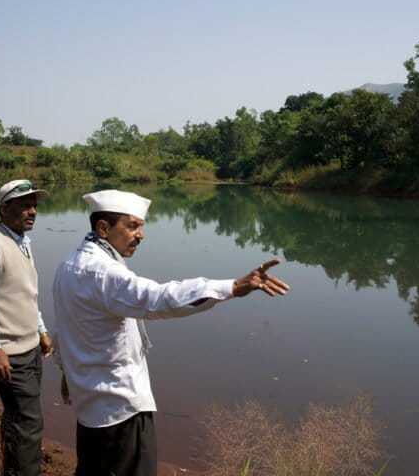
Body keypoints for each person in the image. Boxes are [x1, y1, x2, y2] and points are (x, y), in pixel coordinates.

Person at [52, 189, 290, 476]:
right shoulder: (106, 274)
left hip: (90, 407)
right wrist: (232, 288)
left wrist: (67, 372)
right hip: (121, 407)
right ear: (103, 228)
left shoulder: (68, 266)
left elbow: (66, 327)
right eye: (132, 226)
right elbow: (160, 299)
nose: (141, 235)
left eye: (141, 226)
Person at [0, 179, 53, 476]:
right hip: (9, 354)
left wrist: (40, 330)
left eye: (34, 206)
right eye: (24, 206)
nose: (32, 212)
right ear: (4, 209)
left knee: (22, 419)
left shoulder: (23, 243)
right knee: (27, 423)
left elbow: (25, 293)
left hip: (29, 349)